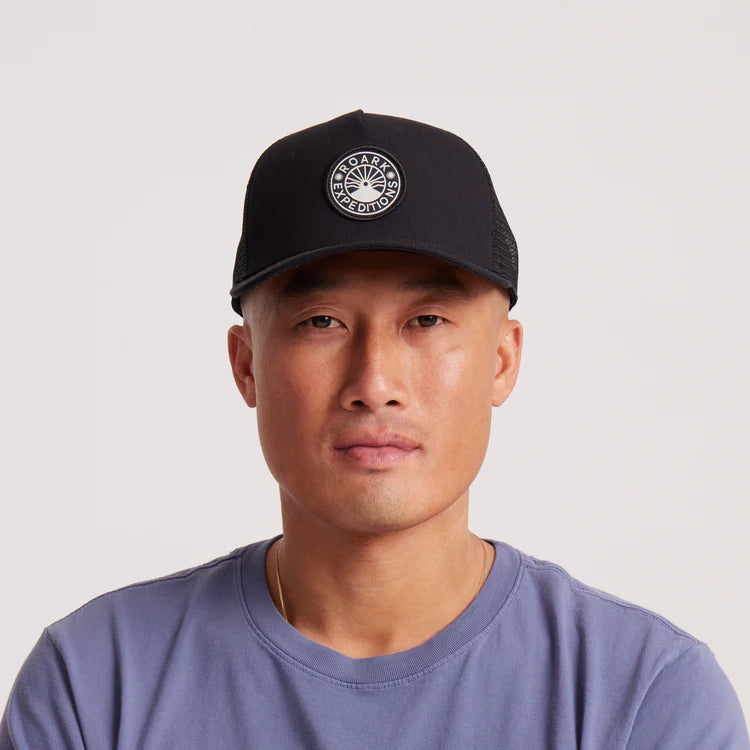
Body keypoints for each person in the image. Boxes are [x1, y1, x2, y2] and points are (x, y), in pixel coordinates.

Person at [1, 110, 747, 749]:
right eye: (321, 322)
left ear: (502, 360)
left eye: (428, 320)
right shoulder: (97, 686)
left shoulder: (644, 697)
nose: (375, 382)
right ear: (247, 365)